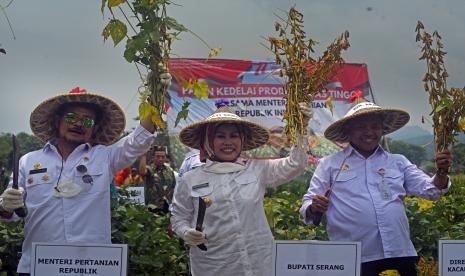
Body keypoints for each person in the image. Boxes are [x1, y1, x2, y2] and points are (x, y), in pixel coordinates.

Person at [0, 87, 158, 275]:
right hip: (38, 264)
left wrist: (156, 96)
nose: (78, 123)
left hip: (91, 266)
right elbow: (10, 214)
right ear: (57, 121)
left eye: (87, 120)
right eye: (71, 117)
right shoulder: (28, 161)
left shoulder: (104, 157)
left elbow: (138, 140)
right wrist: (7, 205)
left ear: (95, 128)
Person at [299, 99, 453, 276]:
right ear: (348, 131)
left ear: (383, 129)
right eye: (361, 127)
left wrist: (441, 172)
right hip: (355, 256)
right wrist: (314, 206)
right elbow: (308, 203)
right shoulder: (330, 164)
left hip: (399, 252)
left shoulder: (398, 162)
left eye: (375, 126)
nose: (369, 132)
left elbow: (432, 191)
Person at [170, 104, 310, 276]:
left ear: (242, 140)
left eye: (234, 135)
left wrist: (301, 129)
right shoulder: (190, 179)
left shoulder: (258, 169)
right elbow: (178, 216)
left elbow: (296, 164)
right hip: (214, 265)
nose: (228, 142)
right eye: (220, 136)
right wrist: (185, 232)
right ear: (208, 141)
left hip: (258, 263)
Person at [139, 145, 176, 212]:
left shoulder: (169, 171)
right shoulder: (149, 169)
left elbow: (173, 187)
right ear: (153, 157)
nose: (160, 159)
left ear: (165, 157)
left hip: (168, 206)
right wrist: (143, 155)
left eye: (163, 157)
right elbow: (142, 172)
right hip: (153, 206)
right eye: (158, 156)